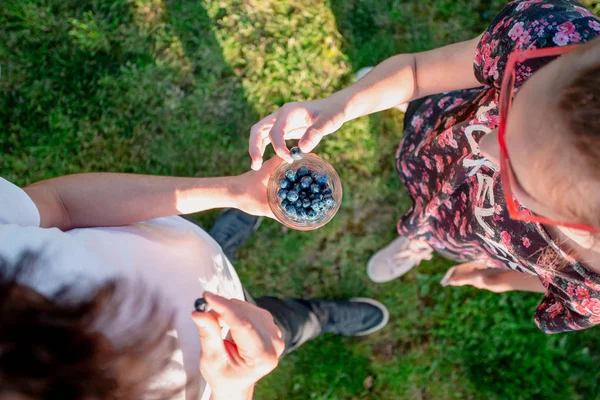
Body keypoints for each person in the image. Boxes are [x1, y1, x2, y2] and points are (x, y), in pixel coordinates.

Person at [248, 0, 600, 333]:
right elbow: (416, 72)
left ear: (583, 233)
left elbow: (554, 284)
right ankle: (393, 99)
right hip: (438, 140)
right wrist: (342, 104)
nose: (484, 143)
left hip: (473, 233)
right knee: (415, 104)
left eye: (515, 170)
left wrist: (491, 278)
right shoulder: (550, 44)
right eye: (511, 101)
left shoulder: (592, 293)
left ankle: (421, 238)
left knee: (441, 232)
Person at [0, 156, 389, 400]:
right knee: (282, 325)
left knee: (211, 254)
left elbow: (59, 206)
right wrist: (235, 384)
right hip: (229, 350)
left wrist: (232, 190)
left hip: (186, 251)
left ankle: (224, 241)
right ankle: (314, 317)